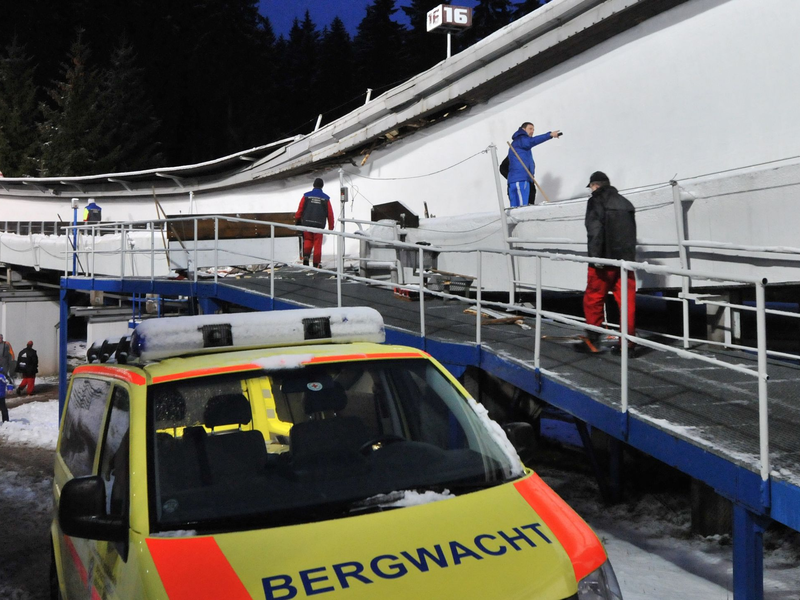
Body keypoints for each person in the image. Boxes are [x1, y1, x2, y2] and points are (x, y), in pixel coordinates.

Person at [581, 171, 637, 356]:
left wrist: (595, 258)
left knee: (594, 299)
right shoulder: (625, 203)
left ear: (595, 185)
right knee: (627, 302)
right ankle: (627, 343)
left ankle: (593, 340)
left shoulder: (596, 201)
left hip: (603, 261)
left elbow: (595, 230)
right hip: (625, 262)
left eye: (591, 187)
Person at [507, 122, 561, 207]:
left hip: (516, 179)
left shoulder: (518, 142)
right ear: (523, 129)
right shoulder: (522, 139)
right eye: (530, 129)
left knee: (515, 209)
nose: (532, 131)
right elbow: (533, 141)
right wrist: (549, 135)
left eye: (533, 129)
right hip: (521, 179)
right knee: (522, 208)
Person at [295, 178, 335, 269]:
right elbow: (330, 213)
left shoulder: (306, 196)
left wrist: (297, 219)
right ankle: (316, 263)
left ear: (313, 185)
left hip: (306, 223)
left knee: (308, 240)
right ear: (322, 186)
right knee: (317, 243)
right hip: (319, 224)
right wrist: (331, 226)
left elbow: (300, 208)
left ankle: (306, 257)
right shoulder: (326, 198)